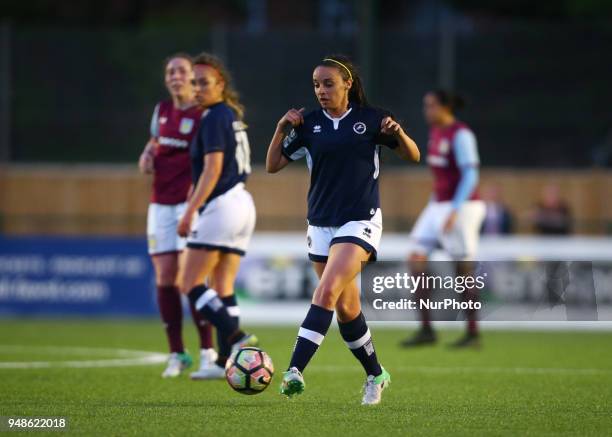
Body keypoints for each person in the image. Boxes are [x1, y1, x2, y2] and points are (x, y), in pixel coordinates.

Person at [266, 55, 420, 405]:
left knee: (326, 290)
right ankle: (376, 375)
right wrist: (280, 130)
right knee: (347, 309)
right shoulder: (308, 123)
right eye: (317, 84)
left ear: (348, 84)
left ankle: (293, 371)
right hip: (320, 223)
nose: (321, 90)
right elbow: (272, 165)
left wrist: (400, 133)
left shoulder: (371, 119)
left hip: (360, 220)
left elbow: (413, 155)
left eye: (328, 83)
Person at [177, 52, 257, 380]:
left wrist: (190, 210)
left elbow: (213, 168)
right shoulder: (229, 115)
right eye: (193, 83)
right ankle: (225, 360)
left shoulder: (213, 117)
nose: (196, 88)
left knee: (189, 282)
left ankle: (236, 337)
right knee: (222, 284)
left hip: (222, 205)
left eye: (204, 83)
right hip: (242, 204)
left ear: (220, 85)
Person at [138, 53, 216, 379]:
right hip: (160, 204)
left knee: (191, 279)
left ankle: (208, 353)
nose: (175, 76)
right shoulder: (162, 111)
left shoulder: (204, 115)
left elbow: (212, 159)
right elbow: (156, 140)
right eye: (170, 71)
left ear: (191, 77)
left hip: (190, 205)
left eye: (181, 71)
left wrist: (197, 198)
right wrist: (146, 151)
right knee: (165, 278)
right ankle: (177, 353)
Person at [401, 90, 485, 348]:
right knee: (415, 256)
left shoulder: (461, 134)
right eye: (425, 106)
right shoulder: (435, 133)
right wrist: (434, 205)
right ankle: (427, 329)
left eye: (431, 106)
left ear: (446, 108)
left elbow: (470, 175)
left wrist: (454, 209)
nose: (427, 111)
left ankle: (472, 333)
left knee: (462, 269)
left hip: (463, 205)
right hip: (438, 204)